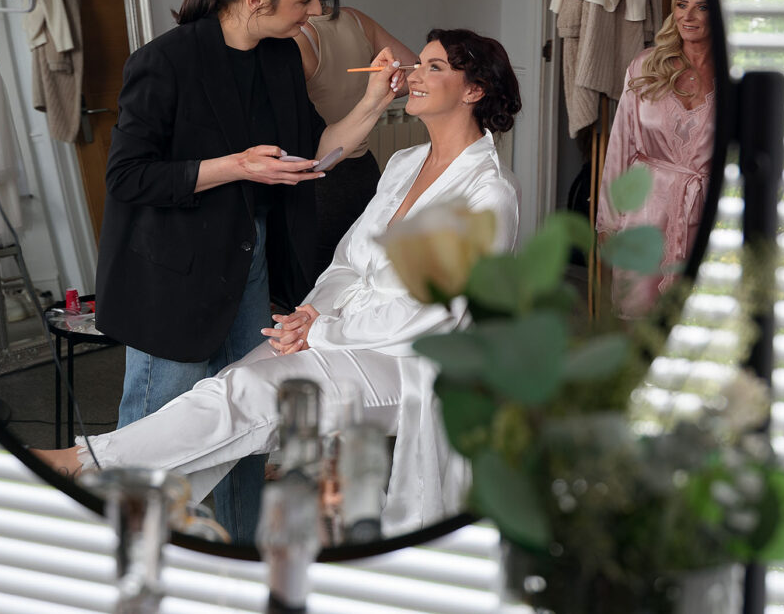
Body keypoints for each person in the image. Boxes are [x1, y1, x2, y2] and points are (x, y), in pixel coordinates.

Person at [37, 29, 522, 537]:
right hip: (345, 329)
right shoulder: (403, 164)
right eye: (418, 63)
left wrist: (323, 332)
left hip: (417, 362)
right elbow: (347, 262)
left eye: (435, 67)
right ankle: (145, 513)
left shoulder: (489, 192)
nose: (414, 74)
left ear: (474, 91)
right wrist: (309, 314)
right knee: (225, 387)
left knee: (252, 394)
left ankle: (81, 467)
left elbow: (435, 310)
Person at [93, 0, 404, 540]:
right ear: (257, 1)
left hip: (250, 266)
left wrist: (374, 101)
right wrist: (237, 167)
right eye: (305, 0)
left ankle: (233, 565)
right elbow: (128, 177)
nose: (316, 11)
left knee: (240, 430)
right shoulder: (165, 61)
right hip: (174, 277)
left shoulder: (281, 55)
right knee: (163, 433)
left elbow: (313, 156)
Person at [291, 0, 418, 276]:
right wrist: (387, 86)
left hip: (319, 178)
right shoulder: (356, 20)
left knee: (317, 283)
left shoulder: (294, 39)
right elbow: (412, 71)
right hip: (364, 168)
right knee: (359, 272)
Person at [596, 0, 715, 318]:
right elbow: (621, 144)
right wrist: (607, 222)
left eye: (701, 7)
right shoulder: (645, 67)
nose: (687, 16)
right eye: (681, 5)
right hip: (643, 214)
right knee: (635, 317)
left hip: (700, 211)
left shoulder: (732, 77)